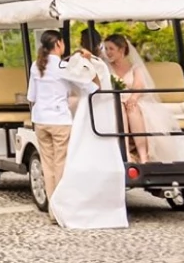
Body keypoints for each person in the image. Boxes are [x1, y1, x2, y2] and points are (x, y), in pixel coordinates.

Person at [49, 37, 130, 230]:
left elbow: (93, 87)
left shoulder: (83, 65)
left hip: (91, 106)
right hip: (104, 108)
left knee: (83, 145)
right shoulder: (100, 64)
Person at [103, 33, 177, 164]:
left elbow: (139, 85)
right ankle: (124, 151)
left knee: (133, 109)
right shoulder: (106, 67)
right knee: (120, 108)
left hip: (132, 100)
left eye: (111, 49)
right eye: (106, 49)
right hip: (113, 101)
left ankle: (143, 155)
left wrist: (133, 98)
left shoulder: (134, 67)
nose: (107, 52)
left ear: (121, 50)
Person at [25, 30, 74, 202]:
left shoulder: (36, 65)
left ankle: (53, 208)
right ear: (59, 43)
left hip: (40, 120)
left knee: (47, 164)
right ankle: (61, 207)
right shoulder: (64, 67)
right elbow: (79, 90)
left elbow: (31, 96)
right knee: (60, 163)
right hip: (59, 120)